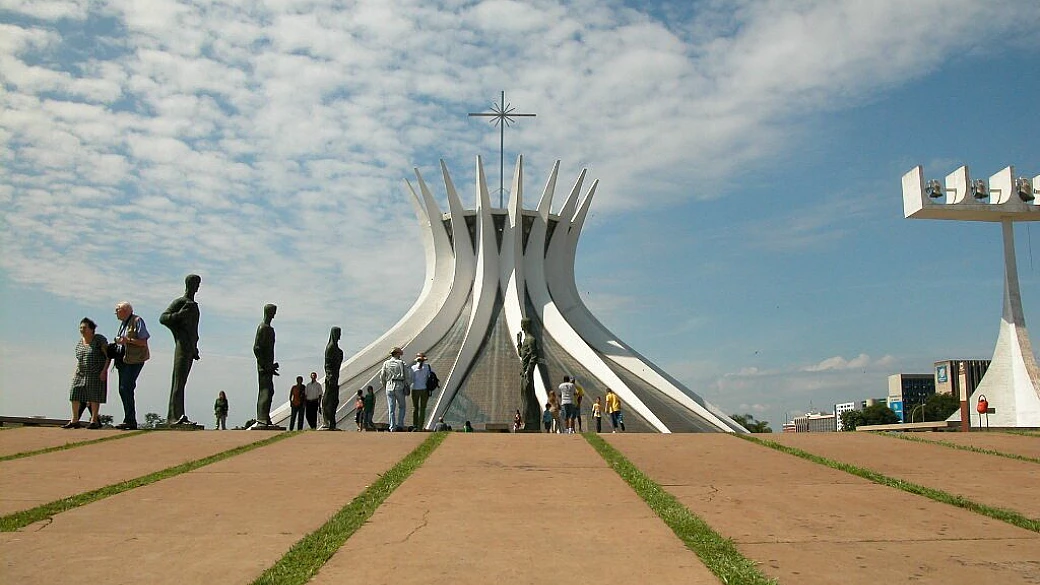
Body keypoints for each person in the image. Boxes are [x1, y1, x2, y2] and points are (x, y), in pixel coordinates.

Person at [159, 274, 201, 425]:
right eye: (195, 283)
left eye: (198, 284)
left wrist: (194, 347)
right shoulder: (181, 302)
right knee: (178, 381)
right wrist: (179, 315)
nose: (196, 287)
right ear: (188, 284)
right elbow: (163, 318)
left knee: (182, 382)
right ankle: (174, 416)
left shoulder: (193, 305)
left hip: (189, 347)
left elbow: (193, 330)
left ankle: (178, 414)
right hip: (182, 346)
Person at [65, 317, 110, 429]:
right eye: (81, 328)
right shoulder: (80, 343)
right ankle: (75, 420)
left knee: (94, 396)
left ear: (91, 329)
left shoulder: (99, 339)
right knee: (75, 393)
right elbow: (79, 359)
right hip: (81, 372)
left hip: (95, 372)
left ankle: (94, 420)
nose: (82, 330)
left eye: (84, 328)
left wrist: (104, 371)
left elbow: (108, 356)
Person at [113, 301, 150, 430]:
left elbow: (143, 341)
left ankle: (130, 420)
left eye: (117, 310)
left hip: (135, 360)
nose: (115, 312)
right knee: (123, 389)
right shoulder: (124, 323)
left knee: (126, 388)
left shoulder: (137, 321)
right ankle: (128, 419)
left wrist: (127, 340)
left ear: (125, 310)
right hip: (124, 360)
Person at [253, 303, 279, 427]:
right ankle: (261, 419)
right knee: (265, 391)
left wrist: (271, 366)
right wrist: (264, 365)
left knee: (269, 390)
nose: (274, 315)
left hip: (268, 365)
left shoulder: (270, 329)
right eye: (273, 312)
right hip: (263, 366)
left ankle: (265, 417)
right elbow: (257, 348)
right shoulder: (263, 328)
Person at [379, 346, 410, 431]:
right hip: (399, 385)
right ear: (397, 354)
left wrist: (385, 385)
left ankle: (392, 426)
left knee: (391, 408)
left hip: (389, 385)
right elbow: (407, 376)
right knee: (402, 406)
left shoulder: (386, 363)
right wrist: (406, 385)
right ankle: (400, 424)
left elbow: (382, 376)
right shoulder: (401, 363)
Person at [322, 327, 344, 430]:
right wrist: (329, 376)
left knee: (334, 401)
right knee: (329, 400)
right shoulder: (330, 348)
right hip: (331, 379)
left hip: (335, 377)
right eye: (338, 333)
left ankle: (331, 422)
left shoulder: (337, 349)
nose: (339, 335)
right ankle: (327, 421)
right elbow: (327, 365)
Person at [410, 352, 435, 430]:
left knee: (415, 408)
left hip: (415, 389)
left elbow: (411, 379)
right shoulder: (427, 367)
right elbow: (429, 377)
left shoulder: (413, 367)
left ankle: (415, 424)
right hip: (424, 389)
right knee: (423, 408)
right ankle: (420, 427)